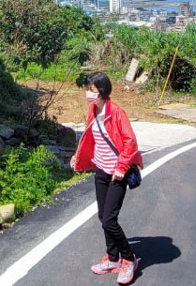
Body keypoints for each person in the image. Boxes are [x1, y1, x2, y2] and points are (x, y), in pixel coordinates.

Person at [70, 72, 143, 284]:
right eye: (88, 89)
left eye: (92, 90)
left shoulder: (117, 113)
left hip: (116, 174)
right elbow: (88, 134)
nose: (88, 94)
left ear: (102, 92)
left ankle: (129, 259)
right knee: (103, 217)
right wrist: (78, 155)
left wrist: (121, 167)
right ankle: (112, 258)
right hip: (100, 170)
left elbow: (131, 142)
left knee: (110, 220)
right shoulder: (93, 110)